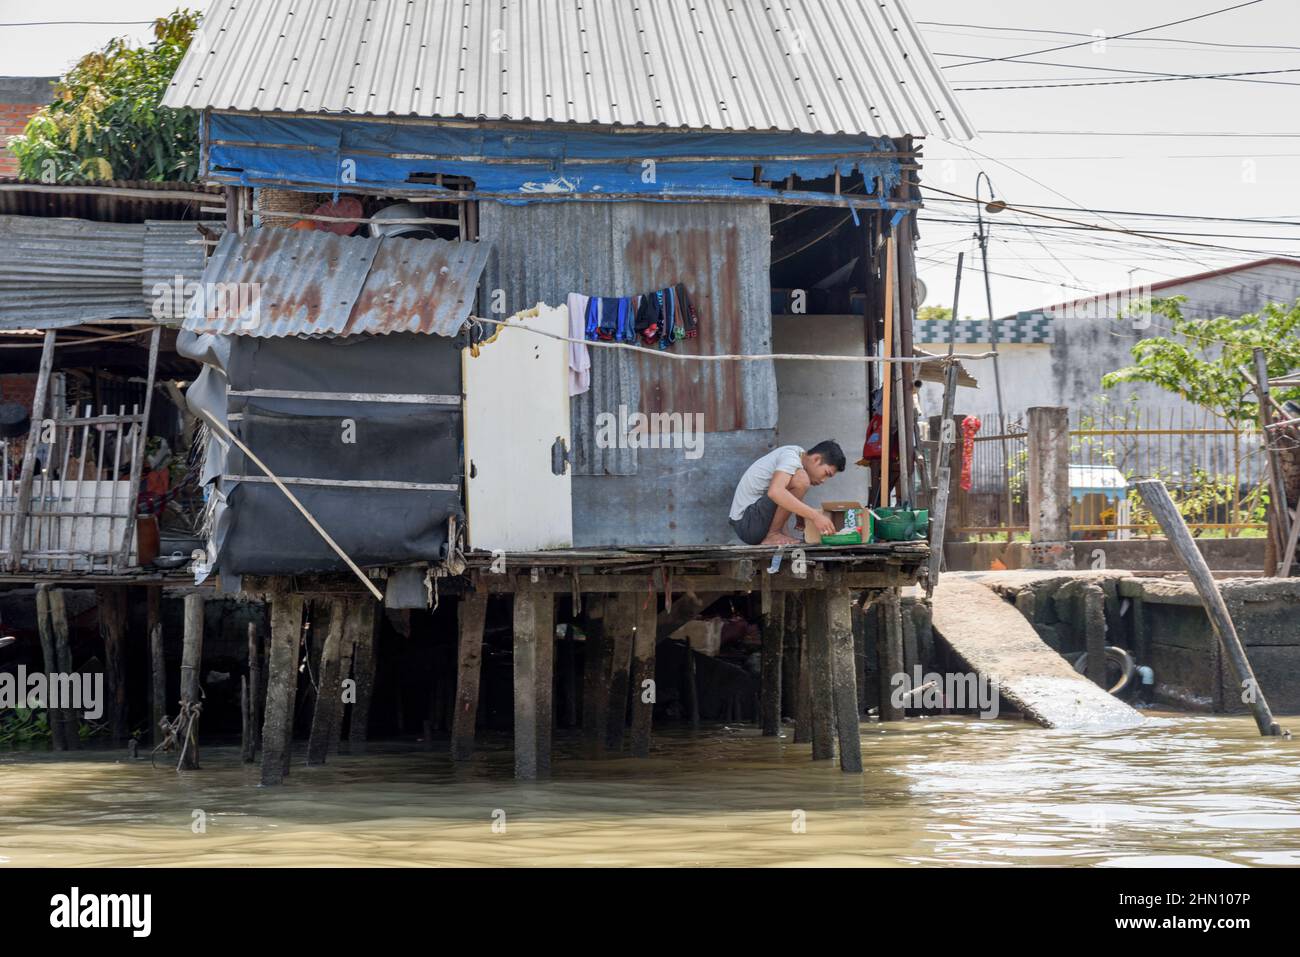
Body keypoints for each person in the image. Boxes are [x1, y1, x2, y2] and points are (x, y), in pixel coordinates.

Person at [728, 441, 845, 545]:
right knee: (801, 480)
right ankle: (773, 534)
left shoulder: (797, 454)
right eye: (826, 473)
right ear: (816, 459)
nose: (824, 480)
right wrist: (815, 516)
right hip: (747, 521)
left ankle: (779, 534)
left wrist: (799, 511)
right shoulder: (791, 458)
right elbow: (775, 492)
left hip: (751, 521)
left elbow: (782, 495)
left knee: (795, 482)